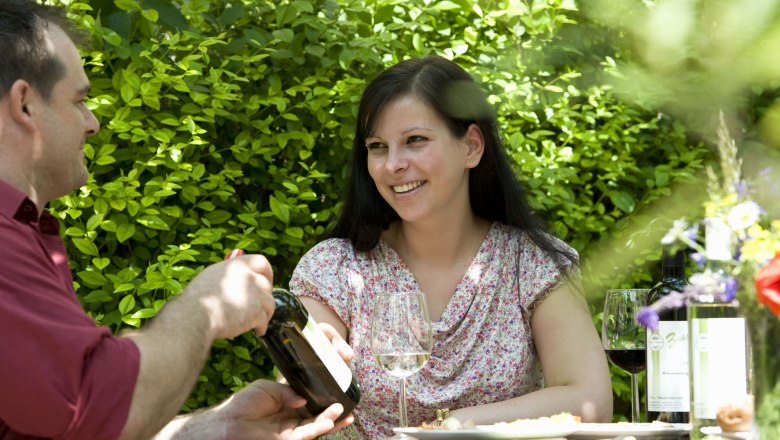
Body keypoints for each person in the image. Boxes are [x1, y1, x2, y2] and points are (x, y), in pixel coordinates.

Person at [0, 1, 353, 439]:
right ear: (25, 105)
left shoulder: (23, 232)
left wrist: (214, 428)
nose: (92, 123)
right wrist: (207, 306)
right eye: (80, 100)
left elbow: (67, 428)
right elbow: (91, 402)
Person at [289, 55, 613, 438]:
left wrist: (452, 427)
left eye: (415, 141)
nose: (393, 164)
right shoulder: (335, 269)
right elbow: (303, 402)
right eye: (377, 146)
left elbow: (589, 400)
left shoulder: (529, 264)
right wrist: (306, 369)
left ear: (472, 146)